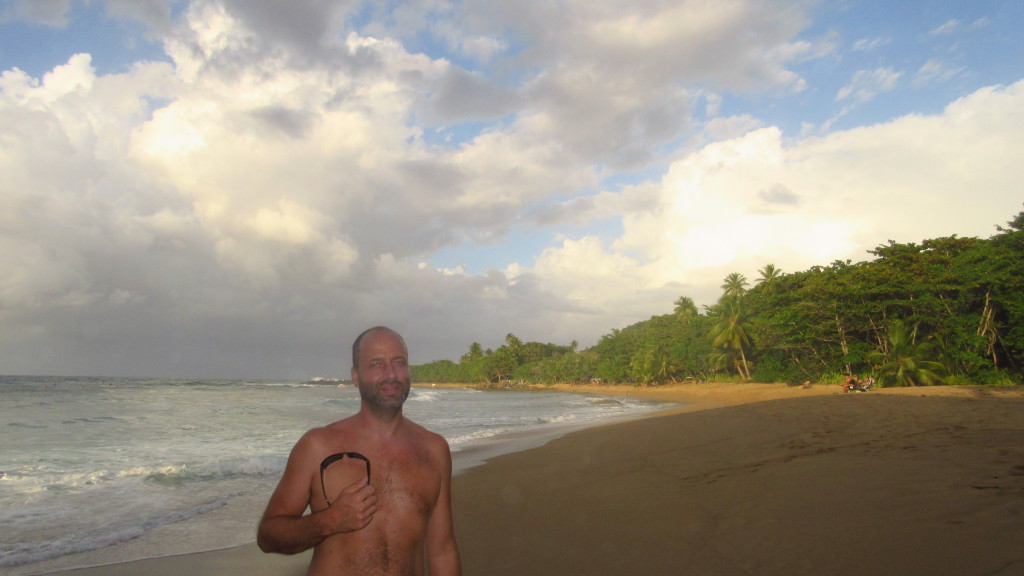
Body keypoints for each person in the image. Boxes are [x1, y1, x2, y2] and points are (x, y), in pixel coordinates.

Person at [257, 326, 461, 576]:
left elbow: (442, 549)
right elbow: (269, 536)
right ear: (356, 376)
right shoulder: (317, 446)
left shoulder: (434, 449)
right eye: (376, 364)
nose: (390, 374)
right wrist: (330, 521)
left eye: (398, 362)